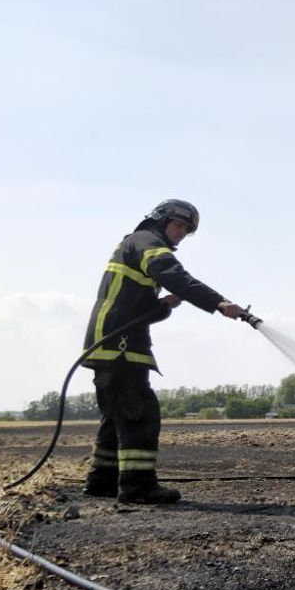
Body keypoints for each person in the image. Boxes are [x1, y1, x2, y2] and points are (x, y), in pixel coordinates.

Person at [81, 199, 243, 504]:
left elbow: (137, 308)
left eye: (187, 230)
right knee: (140, 413)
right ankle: (138, 487)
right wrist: (218, 302)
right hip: (120, 344)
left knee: (117, 416)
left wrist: (163, 305)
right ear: (161, 219)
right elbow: (173, 274)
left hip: (112, 340)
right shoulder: (147, 241)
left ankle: (102, 481)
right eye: (179, 225)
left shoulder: (134, 245)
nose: (181, 233)